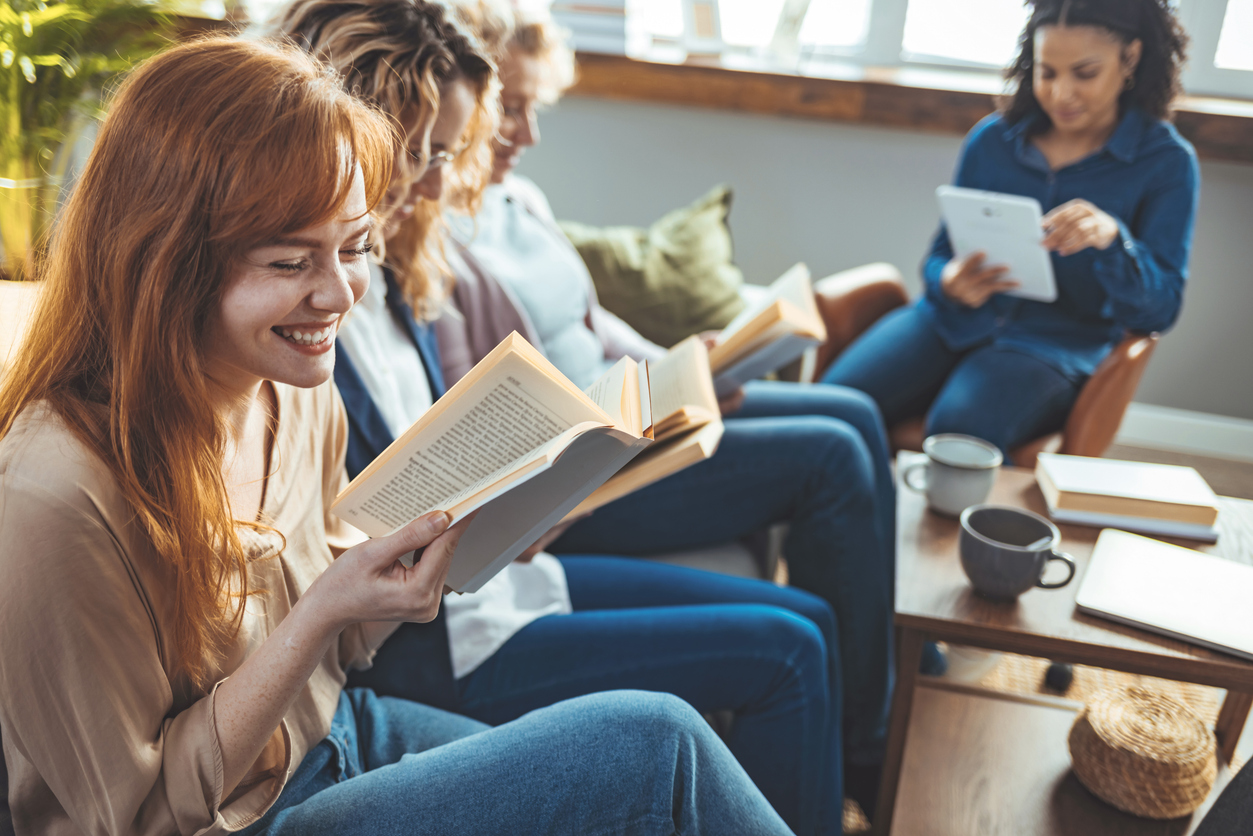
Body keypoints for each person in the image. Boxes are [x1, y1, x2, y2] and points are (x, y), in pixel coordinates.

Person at [0, 37, 794, 836]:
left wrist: (473, 536)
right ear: (164, 262)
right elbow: (139, 819)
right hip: (234, 822)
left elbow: (341, 649)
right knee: (652, 747)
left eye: (353, 247)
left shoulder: (291, 389)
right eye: (289, 262)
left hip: (337, 737)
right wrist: (319, 614)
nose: (340, 293)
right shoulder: (52, 498)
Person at [265, 1, 846, 832]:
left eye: (442, 155)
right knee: (784, 655)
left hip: (499, 587)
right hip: (435, 646)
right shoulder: (301, 320)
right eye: (420, 154)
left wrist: (527, 496)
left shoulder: (399, 272)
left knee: (811, 622)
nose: (435, 182)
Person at [434, 0, 897, 817]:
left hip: (626, 403)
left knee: (854, 413)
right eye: (511, 107)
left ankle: (868, 711)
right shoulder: (436, 244)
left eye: (536, 106)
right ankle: (864, 747)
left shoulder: (522, 202)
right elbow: (484, 415)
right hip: (593, 447)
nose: (528, 131)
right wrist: (615, 413)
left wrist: (684, 364)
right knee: (830, 457)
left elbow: (587, 321)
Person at [821, 0, 1199, 462]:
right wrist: (949, 281)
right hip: (949, 321)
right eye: (1047, 72)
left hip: (1050, 348)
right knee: (827, 406)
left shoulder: (1166, 164)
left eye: (1084, 73)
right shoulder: (992, 140)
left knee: (957, 433)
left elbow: (1159, 310)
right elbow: (939, 255)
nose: (1062, 94)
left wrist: (1111, 240)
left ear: (1131, 59)